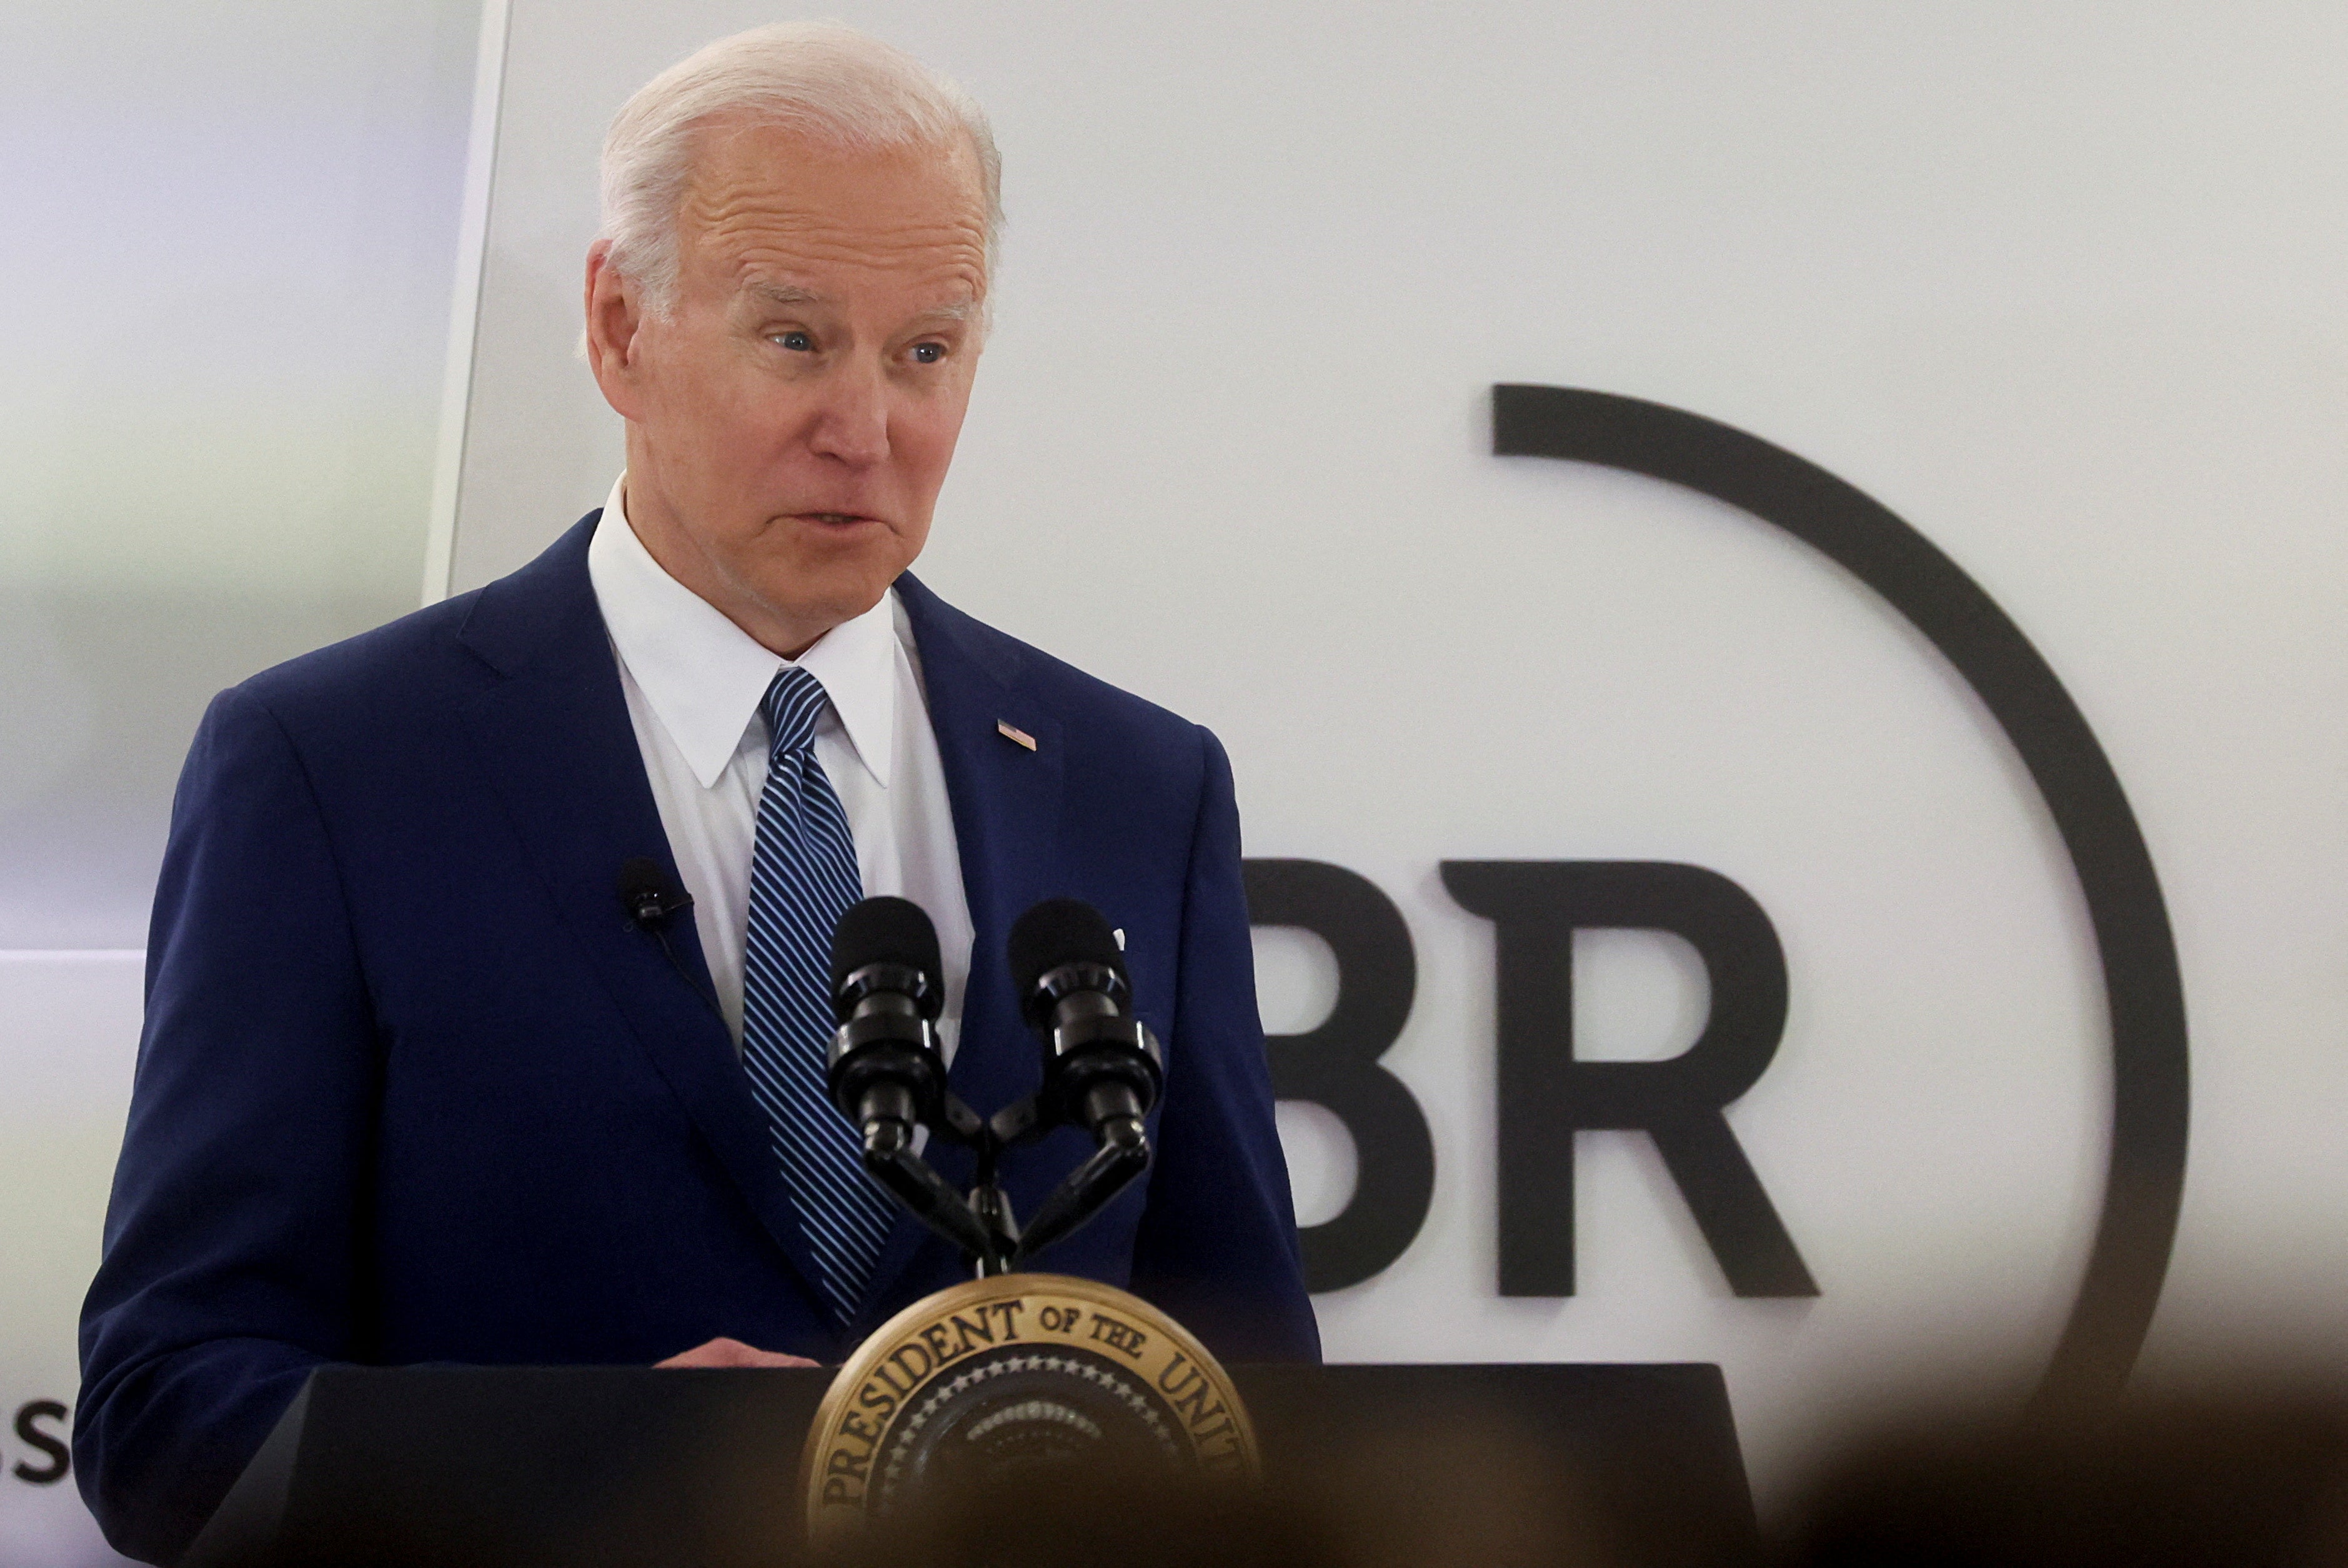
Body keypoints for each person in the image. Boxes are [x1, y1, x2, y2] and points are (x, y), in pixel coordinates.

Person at [74, 22, 1317, 1564]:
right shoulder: (331, 768)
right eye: (794, 339)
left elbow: (1260, 1394)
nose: (866, 429)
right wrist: (605, 1456)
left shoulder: (1140, 783)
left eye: (925, 351)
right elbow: (159, 1412)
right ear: (617, 326)